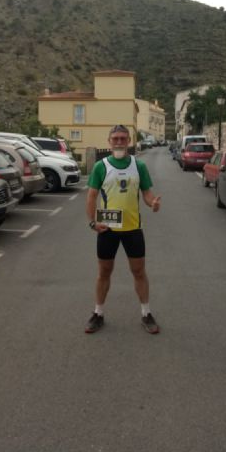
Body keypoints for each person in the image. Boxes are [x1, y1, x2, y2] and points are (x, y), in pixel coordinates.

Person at [85, 124, 161, 334]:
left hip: (133, 229)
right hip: (107, 229)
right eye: (115, 138)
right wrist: (92, 223)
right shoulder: (100, 166)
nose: (119, 142)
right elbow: (91, 196)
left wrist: (153, 203)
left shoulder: (139, 166)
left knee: (139, 271)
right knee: (104, 272)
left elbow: (147, 194)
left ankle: (146, 313)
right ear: (109, 141)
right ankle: (98, 313)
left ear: (129, 141)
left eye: (123, 138)